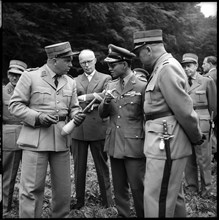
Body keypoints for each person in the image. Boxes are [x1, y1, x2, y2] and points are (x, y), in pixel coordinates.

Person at [132, 29, 205, 217]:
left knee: (157, 196)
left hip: (166, 143)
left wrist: (196, 136)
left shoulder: (166, 67)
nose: (139, 58)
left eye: (139, 53)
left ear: (148, 49)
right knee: (173, 195)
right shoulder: (161, 67)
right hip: (163, 141)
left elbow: (184, 110)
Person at [8, 41, 86, 218]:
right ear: (54, 59)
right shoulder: (31, 77)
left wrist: (77, 114)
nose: (71, 65)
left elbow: (73, 106)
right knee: (31, 190)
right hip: (35, 140)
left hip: (61, 140)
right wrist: (37, 117)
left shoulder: (70, 82)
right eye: (67, 60)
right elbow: (15, 105)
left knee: (63, 190)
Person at [99, 44, 147, 218]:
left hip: (134, 144)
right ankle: (123, 215)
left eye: (113, 65)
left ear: (125, 64)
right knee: (119, 186)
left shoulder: (142, 86)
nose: (109, 69)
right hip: (114, 143)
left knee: (138, 186)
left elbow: (147, 117)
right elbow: (102, 114)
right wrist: (105, 101)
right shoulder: (111, 85)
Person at [70, 49, 113, 209]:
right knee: (79, 168)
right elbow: (72, 99)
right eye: (83, 62)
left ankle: (108, 202)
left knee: (102, 166)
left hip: (98, 128)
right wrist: (95, 97)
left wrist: (85, 97)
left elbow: (106, 95)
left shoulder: (106, 77)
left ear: (95, 60)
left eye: (89, 61)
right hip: (78, 128)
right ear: (79, 63)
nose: (86, 65)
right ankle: (79, 202)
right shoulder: (74, 80)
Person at [181, 53, 217, 198]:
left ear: (196, 66)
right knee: (188, 159)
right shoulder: (180, 82)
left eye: (189, 66)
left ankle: (207, 189)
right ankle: (191, 188)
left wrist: (210, 122)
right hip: (186, 124)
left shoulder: (206, 81)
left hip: (202, 124)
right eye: (184, 66)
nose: (186, 69)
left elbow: (214, 105)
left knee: (204, 159)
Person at [2, 60, 27, 217]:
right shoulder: (3, 91)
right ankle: (5, 206)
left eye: (18, 75)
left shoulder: (29, 91)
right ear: (7, 74)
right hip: (9, 136)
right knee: (8, 175)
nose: (14, 78)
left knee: (29, 176)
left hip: (28, 135)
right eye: (12, 74)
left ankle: (26, 206)